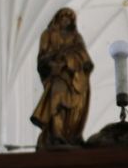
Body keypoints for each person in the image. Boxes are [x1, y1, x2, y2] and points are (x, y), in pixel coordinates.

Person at [30, 8, 94, 148]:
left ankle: (70, 135)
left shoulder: (76, 37)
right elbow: (43, 58)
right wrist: (54, 61)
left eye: (69, 18)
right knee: (57, 99)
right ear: (57, 18)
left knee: (75, 108)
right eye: (63, 17)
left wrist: (68, 59)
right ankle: (56, 135)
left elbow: (84, 59)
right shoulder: (48, 34)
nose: (66, 20)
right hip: (57, 75)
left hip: (74, 77)